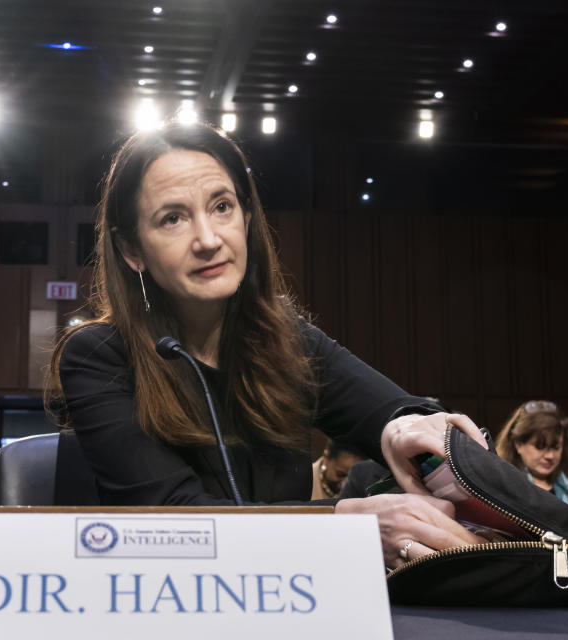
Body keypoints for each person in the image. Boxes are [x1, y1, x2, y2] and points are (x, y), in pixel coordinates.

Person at [47, 121, 489, 569]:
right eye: (173, 218)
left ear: (247, 218)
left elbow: (398, 413)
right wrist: (345, 527)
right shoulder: (98, 355)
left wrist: (404, 427)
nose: (208, 239)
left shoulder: (286, 337)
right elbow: (174, 519)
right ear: (132, 250)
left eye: (222, 206)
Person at [494, 400, 568, 504]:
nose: (550, 456)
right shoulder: (504, 487)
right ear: (518, 444)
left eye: (556, 447)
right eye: (540, 447)